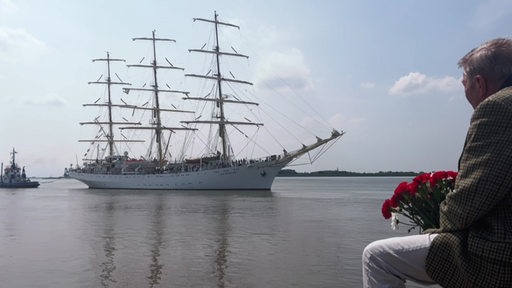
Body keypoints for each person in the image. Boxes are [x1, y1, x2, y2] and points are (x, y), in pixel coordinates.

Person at [362, 38, 512, 288]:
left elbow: (472, 198)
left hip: (500, 253)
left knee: (377, 257)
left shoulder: (497, 107)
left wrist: (437, 226)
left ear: (479, 83)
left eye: (464, 83)